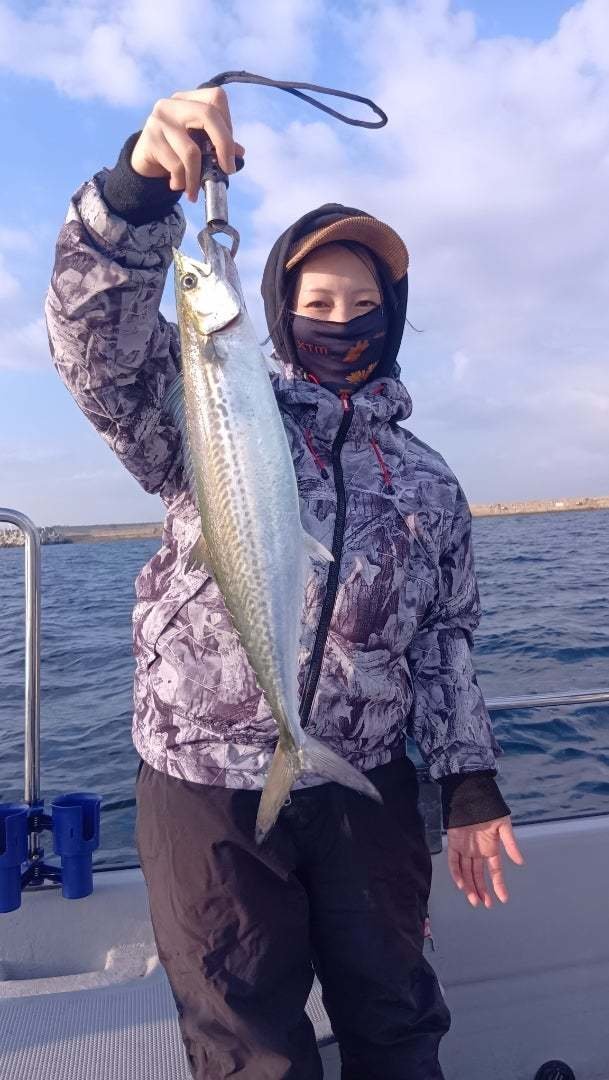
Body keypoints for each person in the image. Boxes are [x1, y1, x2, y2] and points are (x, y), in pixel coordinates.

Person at [46, 86, 525, 1080]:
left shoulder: (428, 480)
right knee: (250, 1048)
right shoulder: (202, 408)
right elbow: (97, 352)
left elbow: (445, 642)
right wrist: (135, 195)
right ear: (274, 312)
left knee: (396, 1022)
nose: (341, 322)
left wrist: (469, 782)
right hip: (205, 786)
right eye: (317, 305)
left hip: (367, 782)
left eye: (363, 308)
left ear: (392, 321)